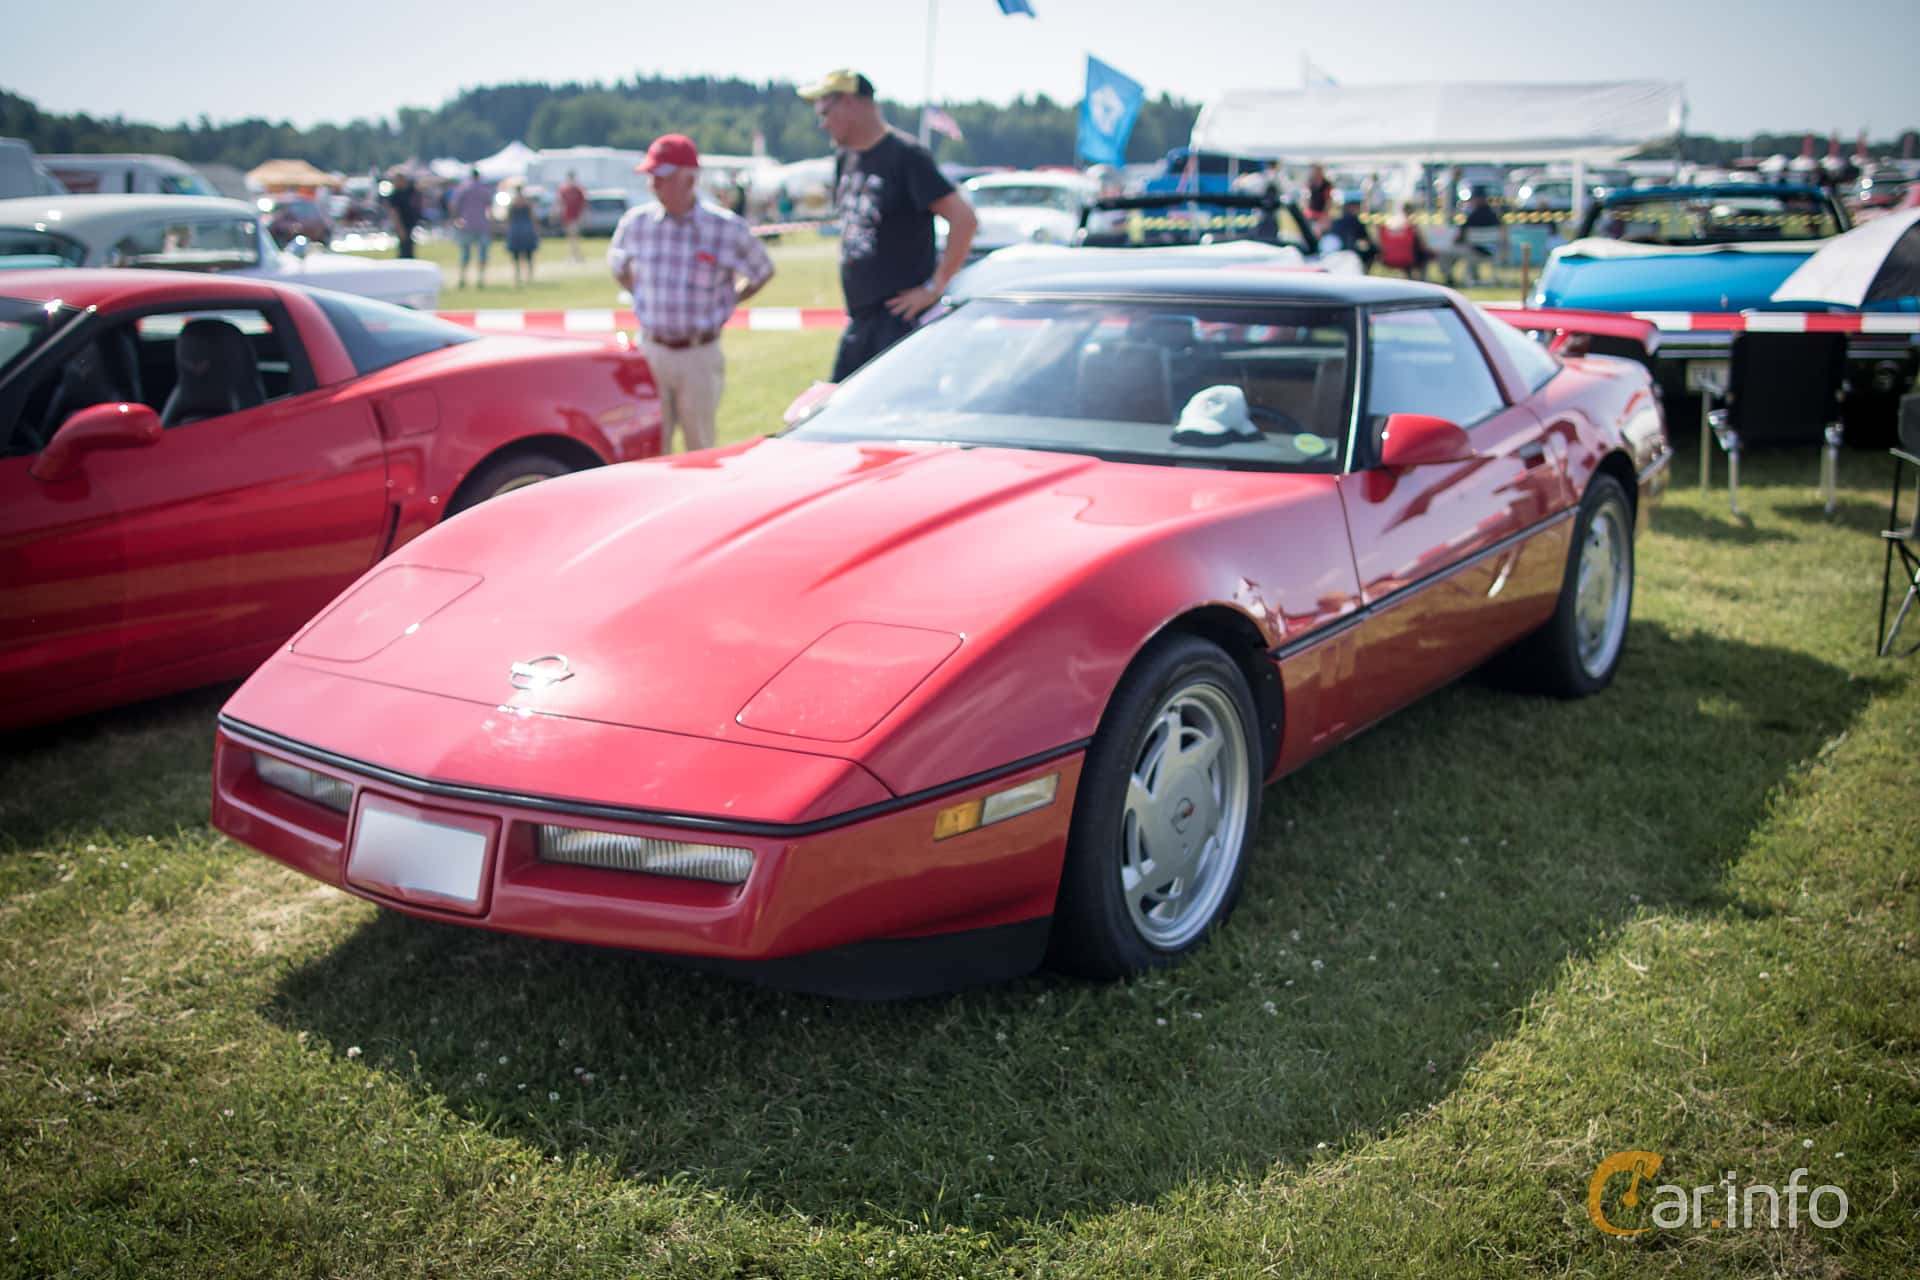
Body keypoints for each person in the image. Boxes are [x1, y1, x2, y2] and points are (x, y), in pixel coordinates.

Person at [799, 68, 977, 381]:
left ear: (852, 103)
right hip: (860, 318)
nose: (823, 123)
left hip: (898, 321)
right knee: (836, 413)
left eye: (827, 112)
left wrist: (934, 287)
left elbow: (963, 219)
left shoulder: (907, 156)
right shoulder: (846, 157)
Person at [607, 133, 775, 455]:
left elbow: (762, 270)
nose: (654, 185)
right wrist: (639, 291)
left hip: (699, 354)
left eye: (663, 177)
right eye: (652, 177)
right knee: (649, 447)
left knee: (700, 448)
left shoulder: (725, 227)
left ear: (689, 178)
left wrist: (730, 300)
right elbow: (617, 262)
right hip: (651, 350)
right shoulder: (637, 223)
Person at [450, 167, 495, 288]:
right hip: (482, 224)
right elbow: (490, 208)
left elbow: (453, 205)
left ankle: (462, 278)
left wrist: (455, 219)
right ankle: (481, 279)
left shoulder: (463, 188)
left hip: (466, 224)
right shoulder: (484, 189)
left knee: (465, 253)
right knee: (483, 254)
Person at [1376, 201, 1431, 280]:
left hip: (1389, 256)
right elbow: (1422, 241)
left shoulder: (1390, 221)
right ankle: (1423, 279)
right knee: (1424, 254)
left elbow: (1379, 239)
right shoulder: (1412, 224)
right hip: (1408, 257)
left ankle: (1411, 276)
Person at [505, 184, 540, 286]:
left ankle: (518, 274)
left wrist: (508, 229)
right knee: (528, 253)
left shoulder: (513, 202)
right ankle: (529, 274)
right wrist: (536, 229)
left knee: (516, 254)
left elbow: (508, 217)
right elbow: (533, 216)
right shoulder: (527, 202)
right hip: (526, 228)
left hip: (515, 228)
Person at [384, 169, 420, 259]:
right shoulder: (395, 195)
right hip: (402, 225)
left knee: (409, 247)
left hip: (410, 224)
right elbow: (394, 213)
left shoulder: (408, 191)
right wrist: (399, 228)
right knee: (404, 249)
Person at [557, 170, 587, 262]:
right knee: (571, 237)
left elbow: (583, 204)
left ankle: (576, 256)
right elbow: (560, 202)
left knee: (574, 236)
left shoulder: (578, 189)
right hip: (567, 216)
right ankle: (574, 255)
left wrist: (584, 216)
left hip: (575, 217)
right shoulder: (564, 189)